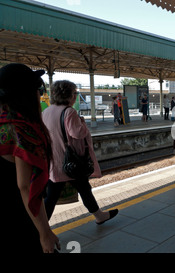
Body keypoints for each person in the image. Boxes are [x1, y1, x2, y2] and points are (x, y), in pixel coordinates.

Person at [0, 63, 60, 253]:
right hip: (19, 219)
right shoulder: (23, 131)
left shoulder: (3, 123)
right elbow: (26, 186)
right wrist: (44, 232)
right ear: (26, 94)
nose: (39, 94)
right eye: (38, 89)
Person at [42, 80, 119, 225]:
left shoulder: (46, 111)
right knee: (78, 190)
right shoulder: (69, 112)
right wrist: (82, 123)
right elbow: (77, 133)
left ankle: (99, 215)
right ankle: (41, 229)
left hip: (54, 161)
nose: (75, 96)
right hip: (71, 162)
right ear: (69, 95)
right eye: (75, 93)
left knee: (58, 195)